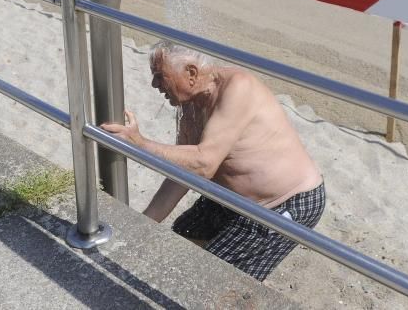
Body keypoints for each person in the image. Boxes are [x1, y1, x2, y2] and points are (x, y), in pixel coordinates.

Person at [101, 41, 325, 281]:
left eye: (160, 76)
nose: (155, 84)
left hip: (284, 202)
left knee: (218, 281)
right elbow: (184, 172)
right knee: (181, 238)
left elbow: (204, 163)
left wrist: (141, 144)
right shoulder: (190, 104)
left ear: (191, 73)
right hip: (231, 199)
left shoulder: (238, 88)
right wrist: (144, 224)